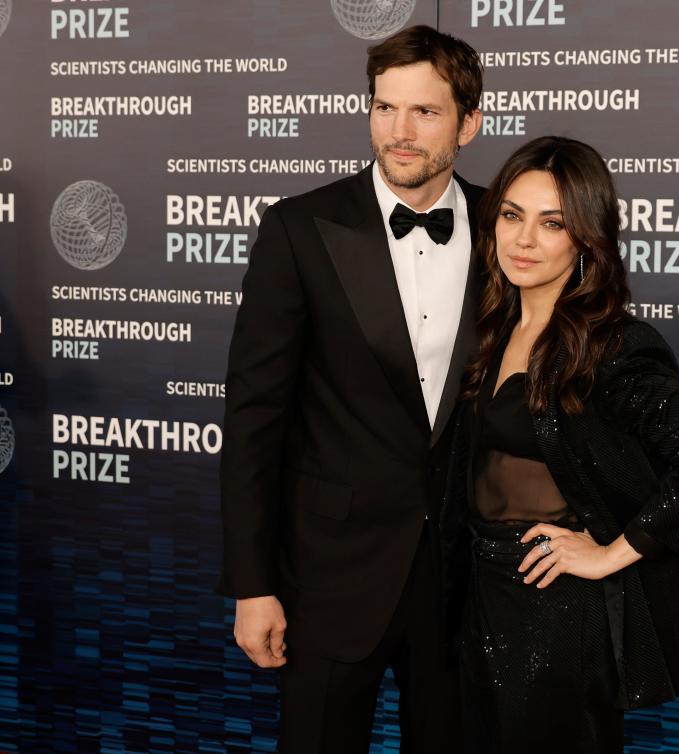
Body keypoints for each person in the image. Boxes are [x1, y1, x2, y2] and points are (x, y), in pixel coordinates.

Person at [216, 25, 485, 753]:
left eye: (425, 112)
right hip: (328, 579)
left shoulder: (507, 231)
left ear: (469, 121)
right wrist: (252, 583)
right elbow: (253, 418)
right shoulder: (301, 229)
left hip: (466, 584)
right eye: (384, 107)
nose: (398, 132)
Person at [440, 136, 679, 754]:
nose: (524, 240)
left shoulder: (612, 346)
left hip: (558, 610)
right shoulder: (490, 326)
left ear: (586, 238)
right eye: (512, 215)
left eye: (552, 223)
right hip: (476, 592)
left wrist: (608, 553)